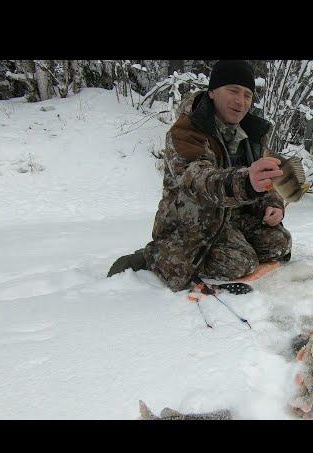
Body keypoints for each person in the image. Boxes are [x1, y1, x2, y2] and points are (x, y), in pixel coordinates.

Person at [107, 60, 292, 291]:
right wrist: (247, 182)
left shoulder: (251, 135)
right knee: (241, 262)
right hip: (193, 220)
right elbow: (200, 181)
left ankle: (231, 242)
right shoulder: (186, 131)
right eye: (233, 91)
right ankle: (158, 254)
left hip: (230, 216)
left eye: (247, 94)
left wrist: (272, 203)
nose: (240, 101)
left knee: (279, 244)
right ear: (212, 92)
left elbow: (263, 179)